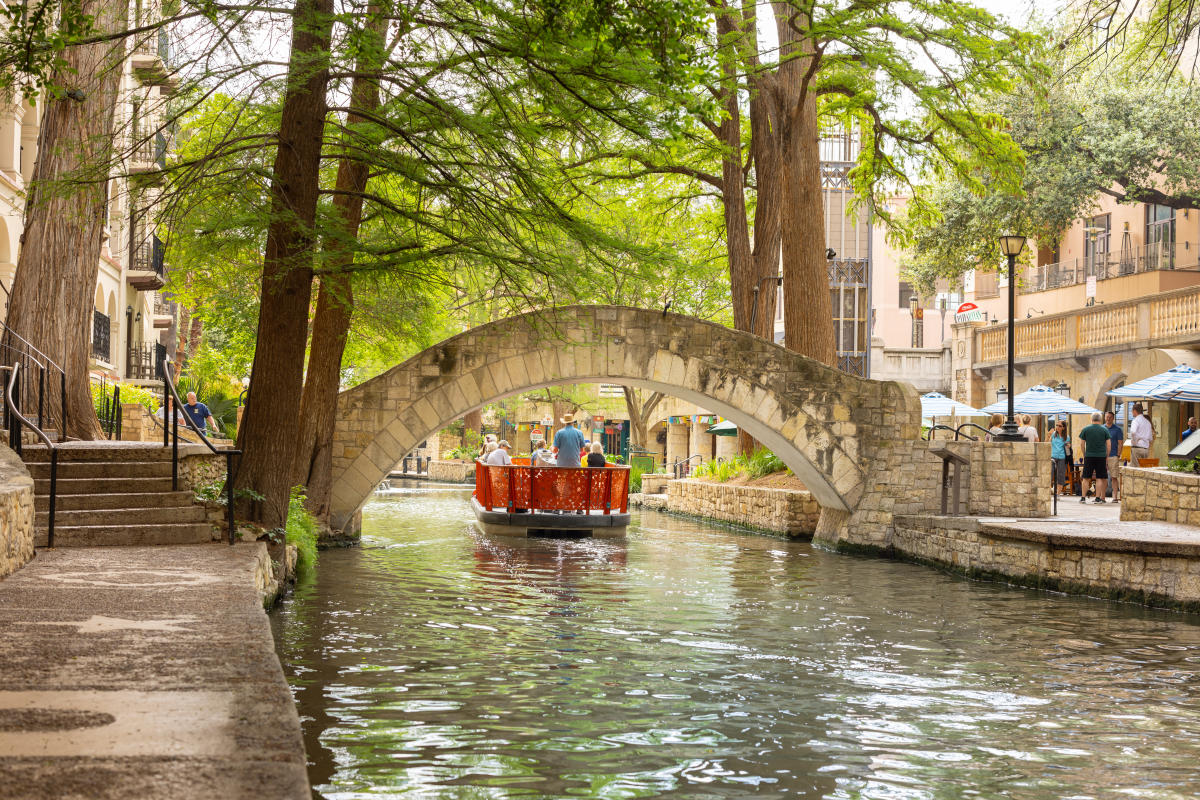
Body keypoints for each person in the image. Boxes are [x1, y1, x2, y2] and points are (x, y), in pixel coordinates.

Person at [1078, 412, 1111, 503]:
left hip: (1089, 456)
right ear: (1100, 419)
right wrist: (1107, 456)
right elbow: (1108, 445)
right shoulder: (1104, 430)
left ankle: (1083, 497)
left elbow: (1082, 443)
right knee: (1099, 477)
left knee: (1086, 478)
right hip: (1101, 456)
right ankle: (1097, 498)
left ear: (1091, 419)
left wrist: (1084, 454)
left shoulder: (1086, 429)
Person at [1105, 411, 1124, 503]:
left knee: (1114, 477)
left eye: (1110, 417)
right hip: (1102, 456)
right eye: (1107, 417)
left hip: (1113, 456)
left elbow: (1120, 443)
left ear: (1113, 418)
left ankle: (1115, 497)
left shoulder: (1117, 429)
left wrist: (1118, 455)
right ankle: (1101, 497)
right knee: (1102, 477)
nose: (1108, 418)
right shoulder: (1102, 428)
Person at [1050, 420, 1070, 495]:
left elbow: (1067, 450)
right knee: (1050, 474)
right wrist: (1048, 435)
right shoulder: (1053, 434)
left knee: (1060, 476)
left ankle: (1058, 494)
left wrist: (1069, 446)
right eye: (1057, 425)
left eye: (1060, 426)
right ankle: (1048, 491)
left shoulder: (1067, 437)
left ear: (1064, 428)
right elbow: (1047, 443)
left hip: (1062, 458)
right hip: (1052, 457)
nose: (1057, 427)